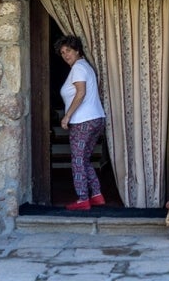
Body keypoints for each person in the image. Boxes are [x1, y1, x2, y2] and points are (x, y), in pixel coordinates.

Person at [55, 35, 107, 211]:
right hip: (96, 118)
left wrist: (67, 116)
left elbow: (81, 93)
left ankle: (83, 199)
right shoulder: (85, 67)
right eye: (62, 52)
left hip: (83, 121)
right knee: (84, 159)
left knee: (77, 160)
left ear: (77, 50)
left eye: (68, 50)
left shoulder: (78, 68)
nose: (65, 55)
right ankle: (97, 195)